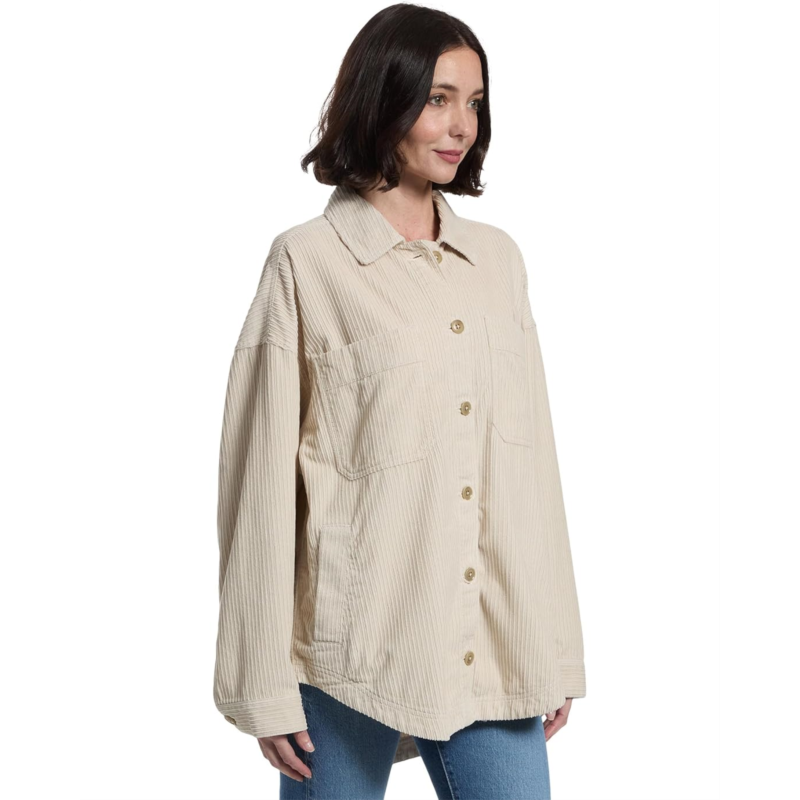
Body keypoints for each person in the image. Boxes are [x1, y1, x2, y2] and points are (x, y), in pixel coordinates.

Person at [213, 5, 586, 799]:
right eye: (438, 99)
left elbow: (531, 465)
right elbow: (260, 485)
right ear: (383, 99)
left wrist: (550, 643)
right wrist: (260, 682)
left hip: (490, 643)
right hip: (350, 656)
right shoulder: (308, 263)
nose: (462, 126)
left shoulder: (498, 262)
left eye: (474, 102)